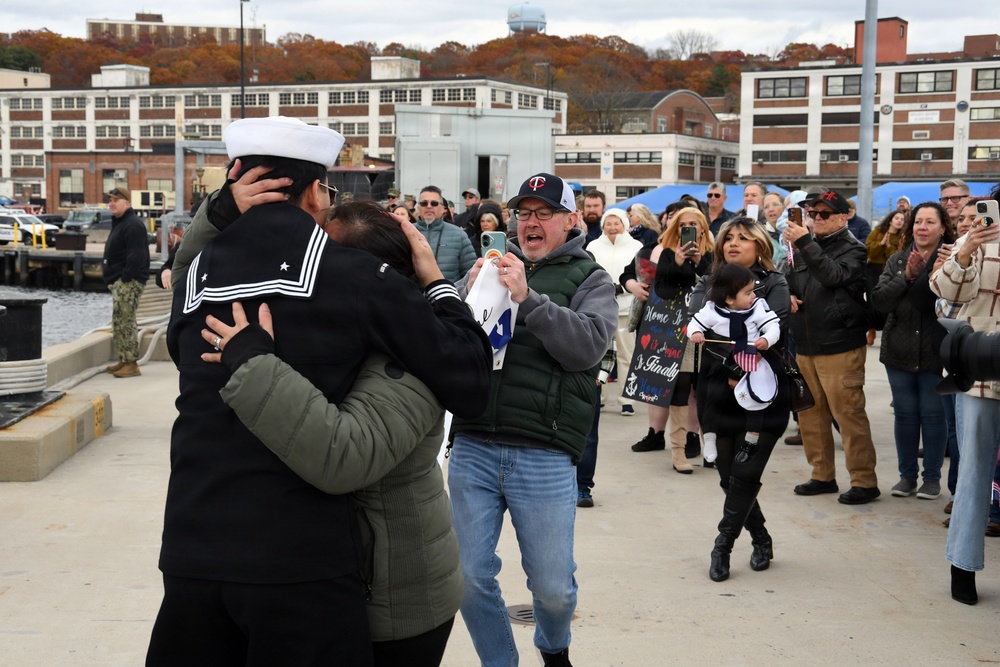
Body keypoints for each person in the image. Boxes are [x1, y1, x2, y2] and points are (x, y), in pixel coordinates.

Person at [146, 116, 492, 665]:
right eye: (328, 190)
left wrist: (218, 210)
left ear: (238, 181)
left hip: (191, 546)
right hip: (301, 561)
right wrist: (434, 284)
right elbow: (471, 378)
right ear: (313, 192)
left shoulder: (194, 283)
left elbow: (182, 284)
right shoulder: (354, 277)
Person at [448, 172, 617, 667]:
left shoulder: (592, 278)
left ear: (570, 221)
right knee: (467, 577)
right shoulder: (492, 268)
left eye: (544, 214)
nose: (531, 223)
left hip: (543, 451)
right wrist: (466, 287)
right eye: (524, 214)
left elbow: (587, 348)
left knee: (553, 589)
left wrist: (530, 300)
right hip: (475, 444)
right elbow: (445, 335)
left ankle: (552, 647)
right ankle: (500, 662)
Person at [687, 218, 791, 582]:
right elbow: (702, 329)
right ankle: (761, 537)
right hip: (717, 393)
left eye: (743, 238)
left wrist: (739, 363)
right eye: (728, 237)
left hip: (762, 393)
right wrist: (731, 364)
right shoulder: (708, 283)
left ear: (760, 245)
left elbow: (774, 329)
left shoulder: (774, 283)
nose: (733, 243)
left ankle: (723, 546)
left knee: (746, 474)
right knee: (729, 478)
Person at [784, 188, 880, 505]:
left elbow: (832, 275)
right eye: (812, 213)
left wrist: (804, 242)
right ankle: (821, 475)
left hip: (840, 344)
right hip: (806, 343)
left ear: (842, 217)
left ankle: (864, 481)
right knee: (811, 415)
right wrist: (787, 295)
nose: (815, 218)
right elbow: (790, 279)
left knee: (849, 414)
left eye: (823, 213)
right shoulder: (801, 248)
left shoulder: (853, 248)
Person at [929, 184, 1000, 606]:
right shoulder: (977, 238)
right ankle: (963, 565)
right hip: (982, 367)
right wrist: (967, 249)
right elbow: (946, 293)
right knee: (973, 470)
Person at [870, 202, 955, 501]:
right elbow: (879, 302)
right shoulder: (896, 260)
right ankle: (907, 477)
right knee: (905, 416)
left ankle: (931, 478)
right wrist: (905, 276)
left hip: (936, 352)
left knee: (934, 417)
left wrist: (931, 272)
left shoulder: (954, 260)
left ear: (943, 228)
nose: (922, 227)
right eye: (918, 221)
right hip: (899, 351)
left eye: (930, 222)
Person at [633, 203, 713, 474]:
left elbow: (716, 283)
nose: (687, 229)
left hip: (709, 333)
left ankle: (710, 450)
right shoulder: (667, 253)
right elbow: (664, 290)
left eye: (693, 225)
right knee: (680, 389)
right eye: (682, 225)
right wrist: (679, 261)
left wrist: (699, 260)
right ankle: (678, 452)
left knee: (707, 391)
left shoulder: (712, 254)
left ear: (703, 228)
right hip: (677, 330)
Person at [688, 263, 781, 464]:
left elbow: (773, 325)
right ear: (729, 299)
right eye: (747, 293)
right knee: (713, 396)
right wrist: (696, 333)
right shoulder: (712, 309)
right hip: (722, 361)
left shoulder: (758, 307)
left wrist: (767, 340)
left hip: (751, 359)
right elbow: (694, 323)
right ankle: (710, 437)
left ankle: (751, 440)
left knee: (757, 400)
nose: (753, 296)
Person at [589, 207, 643, 417]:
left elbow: (641, 274)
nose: (612, 227)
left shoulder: (636, 246)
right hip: (600, 307)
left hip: (627, 307)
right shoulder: (593, 245)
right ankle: (598, 396)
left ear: (625, 225)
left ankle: (626, 399)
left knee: (625, 354)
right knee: (599, 353)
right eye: (608, 223)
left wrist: (623, 287)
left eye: (617, 223)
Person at [102, 186, 149, 379]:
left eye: (116, 200)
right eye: (110, 200)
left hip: (128, 282)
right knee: (119, 321)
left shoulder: (132, 225)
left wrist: (125, 279)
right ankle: (124, 358)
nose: (112, 203)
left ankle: (131, 364)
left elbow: (136, 256)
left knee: (126, 321)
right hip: (120, 282)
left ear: (127, 203)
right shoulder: (121, 223)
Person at [414, 185, 476, 282]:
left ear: (443, 209)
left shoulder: (459, 235)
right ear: (418, 208)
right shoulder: (405, 233)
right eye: (424, 203)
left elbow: (470, 274)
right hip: (413, 295)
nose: (429, 206)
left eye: (434, 203)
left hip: (449, 294)